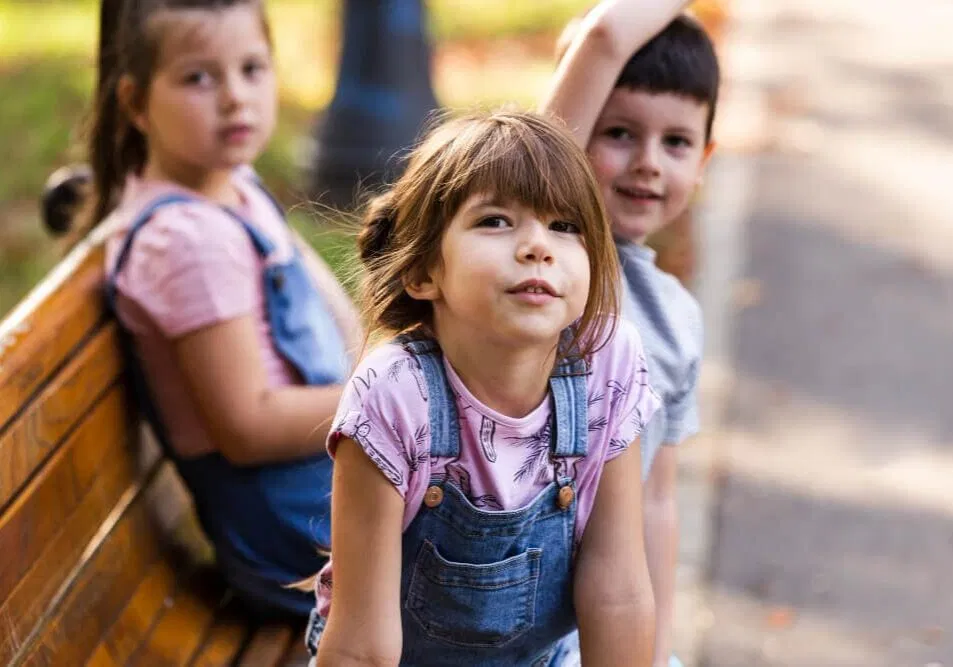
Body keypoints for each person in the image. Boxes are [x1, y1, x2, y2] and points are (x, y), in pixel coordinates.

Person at [303, 109, 660, 666]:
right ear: (423, 272)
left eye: (565, 226)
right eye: (496, 221)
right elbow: (360, 647)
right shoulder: (394, 396)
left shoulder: (606, 362)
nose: (537, 246)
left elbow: (617, 589)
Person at [89, 0, 361, 619]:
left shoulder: (231, 188)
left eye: (252, 69)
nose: (236, 97)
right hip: (298, 541)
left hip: (323, 499)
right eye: (198, 78)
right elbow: (247, 428)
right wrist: (392, 399)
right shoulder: (186, 241)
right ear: (134, 103)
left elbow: (334, 317)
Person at [540, 2, 720, 665]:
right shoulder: (554, 251)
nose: (648, 163)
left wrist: (653, 648)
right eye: (618, 132)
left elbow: (656, 496)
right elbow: (605, 36)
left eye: (675, 143)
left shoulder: (676, 316)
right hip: (505, 612)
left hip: (608, 621)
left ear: (703, 161)